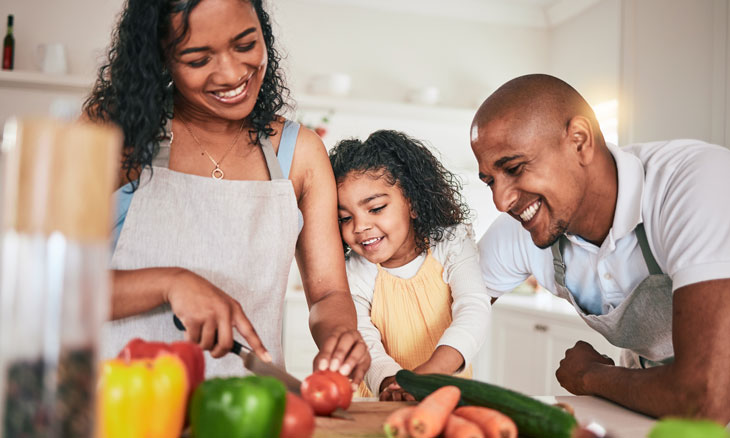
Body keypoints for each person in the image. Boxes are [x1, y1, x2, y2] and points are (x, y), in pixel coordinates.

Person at [84, 0, 370, 384]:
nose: (233, 73)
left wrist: (339, 337)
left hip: (252, 404)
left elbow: (328, 294)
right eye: (198, 59)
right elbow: (56, 287)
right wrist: (170, 284)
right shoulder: (117, 132)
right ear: (160, 57)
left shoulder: (299, 152)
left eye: (245, 45)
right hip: (128, 403)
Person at [471, 73, 730, 422]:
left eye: (514, 168)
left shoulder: (697, 184)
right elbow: (442, 315)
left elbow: (705, 399)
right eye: (490, 181)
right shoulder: (526, 226)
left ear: (579, 141)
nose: (501, 201)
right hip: (654, 402)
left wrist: (590, 376)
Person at [329, 130, 492, 400]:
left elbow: (473, 308)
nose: (360, 227)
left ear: (413, 203)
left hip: (448, 396)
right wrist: (392, 384)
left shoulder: (451, 244)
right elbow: (365, 340)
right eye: (345, 218)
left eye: (376, 208)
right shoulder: (355, 271)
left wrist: (428, 375)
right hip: (381, 399)